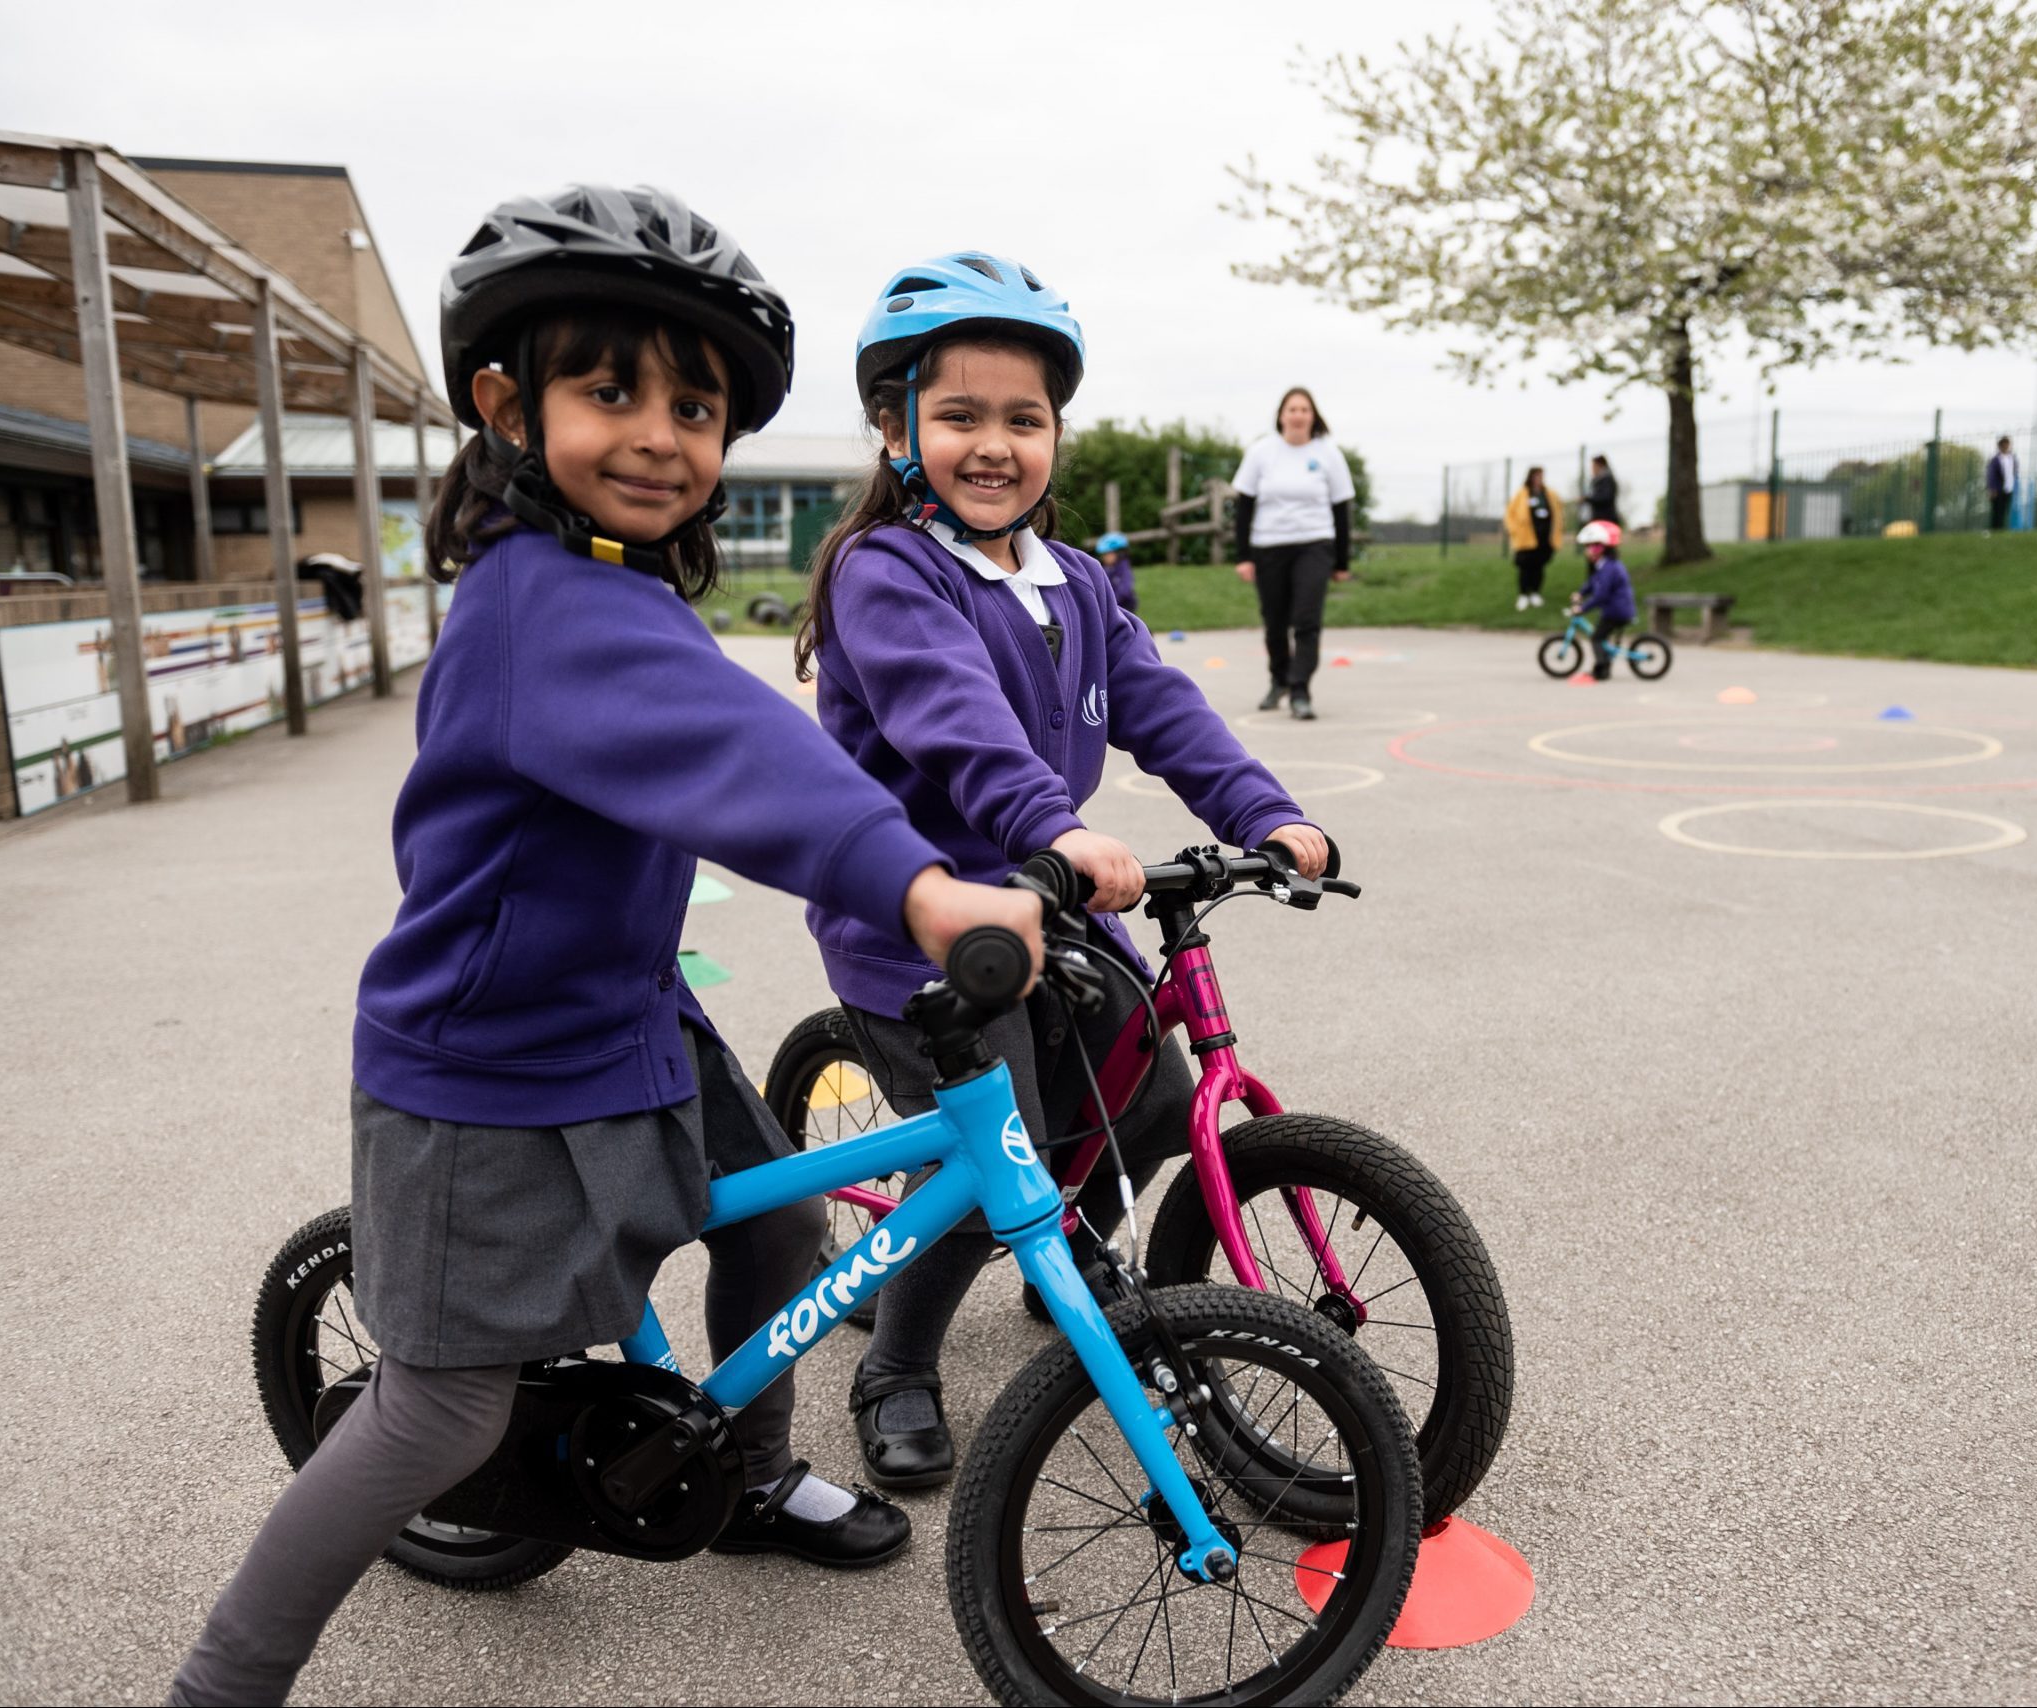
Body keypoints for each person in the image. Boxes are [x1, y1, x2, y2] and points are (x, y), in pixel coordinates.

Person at [166, 188, 1042, 1708]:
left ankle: (749, 1481)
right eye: (609, 390)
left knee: (774, 1233)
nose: (657, 432)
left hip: (630, 1017)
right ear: (508, 404)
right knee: (439, 1415)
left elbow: (725, 749)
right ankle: (225, 1678)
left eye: (692, 405)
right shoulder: (539, 605)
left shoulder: (619, 586)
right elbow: (740, 751)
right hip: (486, 1061)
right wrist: (915, 885)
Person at [793, 252, 1328, 1492]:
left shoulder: (1075, 580)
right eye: (960, 415)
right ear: (895, 425)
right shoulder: (890, 571)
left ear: (1056, 435)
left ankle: (1071, 1252)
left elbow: (1165, 708)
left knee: (1148, 1102)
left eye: (1023, 419)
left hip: (1057, 901)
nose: (995, 445)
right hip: (925, 916)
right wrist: (1056, 823)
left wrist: (1265, 807)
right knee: (999, 1162)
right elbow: (954, 720)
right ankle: (897, 1365)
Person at [1231, 386, 1355, 720]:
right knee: (1274, 622)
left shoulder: (1329, 454)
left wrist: (1342, 561)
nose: (1298, 415)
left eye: (1304, 409)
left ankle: (1300, 690)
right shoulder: (1262, 452)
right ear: (1281, 415)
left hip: (1315, 544)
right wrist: (1243, 556)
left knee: (1307, 620)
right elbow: (1244, 507)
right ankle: (1278, 680)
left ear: (1313, 416)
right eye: (1292, 409)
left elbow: (1342, 510)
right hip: (1269, 545)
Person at [1567, 519, 1636, 680]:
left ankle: (1602, 670)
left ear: (1600, 548)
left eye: (1591, 546)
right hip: (1614, 609)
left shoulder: (1609, 568)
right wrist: (1580, 593)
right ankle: (1605, 665)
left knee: (1596, 637)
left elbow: (1601, 595)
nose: (1588, 551)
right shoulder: (1604, 565)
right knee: (1601, 637)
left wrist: (1582, 608)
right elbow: (1592, 583)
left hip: (1617, 611)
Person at [1503, 464, 1560, 611]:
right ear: (1530, 477)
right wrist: (1515, 530)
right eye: (1536, 476)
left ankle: (1535, 592)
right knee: (1525, 567)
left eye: (1541, 476)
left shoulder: (1548, 494)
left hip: (1543, 538)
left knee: (1539, 566)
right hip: (1526, 538)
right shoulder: (1522, 494)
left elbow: (1558, 511)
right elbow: (1510, 514)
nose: (1539, 479)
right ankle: (1523, 594)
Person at [1093, 530, 1137, 614]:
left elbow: (1124, 590)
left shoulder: (1123, 568)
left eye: (1106, 554)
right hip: (1112, 607)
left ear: (1118, 553)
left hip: (1124, 607)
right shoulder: (1106, 568)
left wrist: (1111, 603)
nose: (1103, 557)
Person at [1987, 436, 2020, 531]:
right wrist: (1992, 489)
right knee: (1997, 510)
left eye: (2007, 444)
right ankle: (1995, 529)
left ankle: (2001, 529)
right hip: (1998, 489)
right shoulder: (1995, 460)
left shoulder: (2012, 458)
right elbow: (1991, 475)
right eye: (2004, 444)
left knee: (2005, 510)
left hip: (2009, 487)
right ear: (2000, 446)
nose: (2006, 446)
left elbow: (2014, 472)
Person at [1584, 454, 1620, 526]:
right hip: (1600, 519)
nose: (1592, 469)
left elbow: (1605, 497)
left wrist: (1587, 498)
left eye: (1594, 466)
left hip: (1606, 520)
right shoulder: (1597, 481)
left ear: (1600, 466)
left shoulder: (1607, 480)